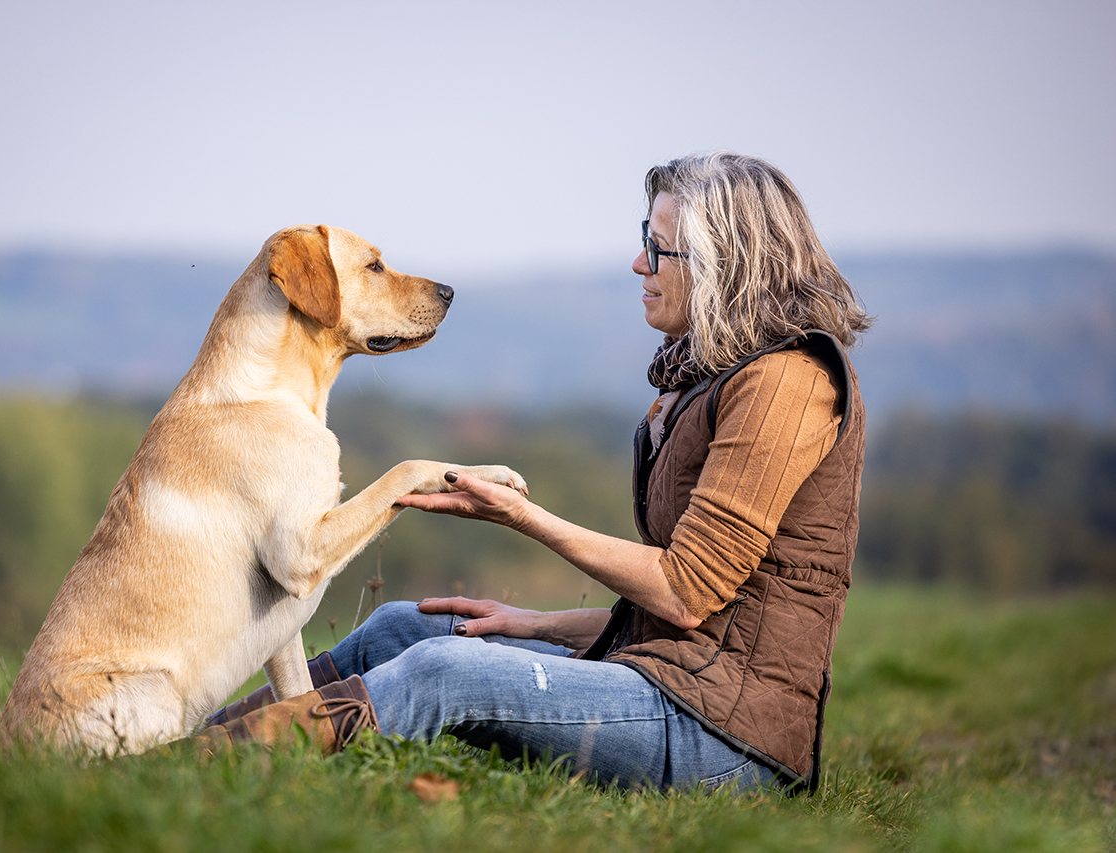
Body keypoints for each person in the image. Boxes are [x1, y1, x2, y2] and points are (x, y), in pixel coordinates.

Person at [191, 151, 872, 794]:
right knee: (408, 626)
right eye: (647, 238)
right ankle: (173, 746)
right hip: (671, 681)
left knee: (445, 670)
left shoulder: (786, 382)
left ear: (726, 262)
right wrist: (536, 624)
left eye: (660, 248)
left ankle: (213, 766)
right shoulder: (712, 378)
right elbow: (696, 617)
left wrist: (523, 517)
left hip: (726, 737)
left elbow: (687, 593)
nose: (640, 262)